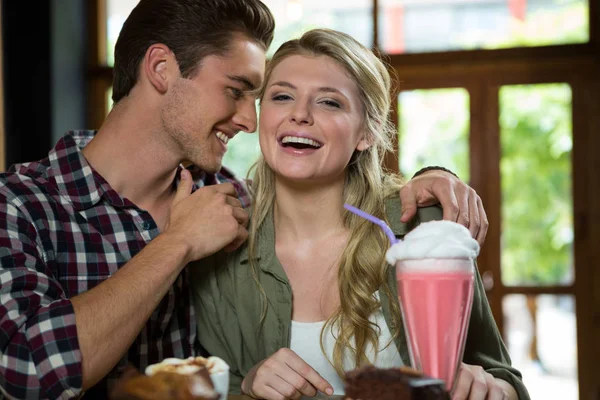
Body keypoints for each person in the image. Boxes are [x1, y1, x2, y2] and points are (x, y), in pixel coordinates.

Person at [0, 1, 485, 399]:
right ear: (161, 69)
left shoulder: (227, 198)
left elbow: (325, 195)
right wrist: (177, 244)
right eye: (236, 91)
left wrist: (431, 181)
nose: (250, 121)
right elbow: (27, 372)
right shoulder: (21, 205)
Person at [191, 29, 530, 400]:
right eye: (282, 96)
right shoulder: (222, 248)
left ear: (366, 133)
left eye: (329, 103)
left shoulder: (423, 229)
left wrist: (487, 388)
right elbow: (209, 384)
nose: (299, 115)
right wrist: (248, 384)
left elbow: (504, 380)